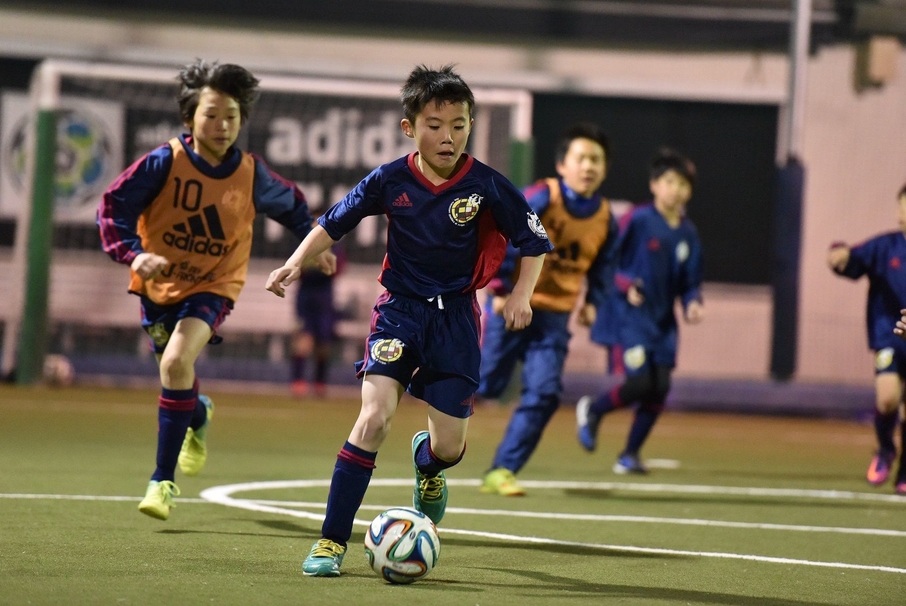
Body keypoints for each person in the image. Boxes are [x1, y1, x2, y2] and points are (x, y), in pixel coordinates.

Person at [265, 64, 553, 577]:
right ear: (409, 127)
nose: (448, 137)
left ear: (471, 125)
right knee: (373, 418)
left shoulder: (487, 184)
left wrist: (521, 295)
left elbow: (535, 243)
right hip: (398, 312)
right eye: (435, 125)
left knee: (449, 446)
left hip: (457, 321)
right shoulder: (390, 179)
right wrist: (294, 262)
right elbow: (333, 223)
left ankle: (429, 466)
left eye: (459, 125)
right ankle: (331, 542)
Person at [97, 59, 335, 520]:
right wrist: (134, 255)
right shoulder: (163, 162)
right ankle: (198, 414)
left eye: (231, 116)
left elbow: (293, 206)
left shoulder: (250, 174)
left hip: (214, 284)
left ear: (242, 120)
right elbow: (113, 207)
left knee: (175, 362)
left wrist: (313, 242)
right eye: (211, 115)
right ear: (189, 118)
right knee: (175, 374)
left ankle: (161, 482)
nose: (222, 125)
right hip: (158, 283)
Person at [478, 123, 618, 497]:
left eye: (596, 160)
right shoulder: (542, 197)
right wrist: (498, 288)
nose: (588, 166)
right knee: (485, 384)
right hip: (512, 306)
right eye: (581, 158)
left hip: (554, 317)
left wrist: (593, 302)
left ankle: (502, 470)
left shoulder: (606, 217)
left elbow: (605, 265)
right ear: (562, 164)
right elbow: (502, 231)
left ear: (605, 169)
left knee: (544, 393)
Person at [575, 148, 703, 475]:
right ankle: (594, 410)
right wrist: (625, 284)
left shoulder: (688, 234)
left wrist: (693, 303)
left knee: (660, 388)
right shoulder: (638, 218)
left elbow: (690, 281)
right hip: (631, 319)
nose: (676, 190)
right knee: (640, 383)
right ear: (654, 185)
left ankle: (629, 454)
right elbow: (608, 257)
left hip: (663, 324)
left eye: (683, 184)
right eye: (669, 182)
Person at [835, 184, 906, 495]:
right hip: (888, 336)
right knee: (887, 398)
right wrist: (838, 254)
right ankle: (886, 449)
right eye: (902, 205)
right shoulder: (885, 246)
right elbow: (851, 261)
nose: (903, 212)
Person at [291, 241, 345, 397]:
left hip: (325, 299)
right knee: (304, 339)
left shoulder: (333, 244)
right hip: (305, 298)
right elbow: (295, 266)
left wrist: (325, 268)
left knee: (323, 343)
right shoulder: (304, 242)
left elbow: (339, 267)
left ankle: (319, 383)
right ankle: (298, 382)